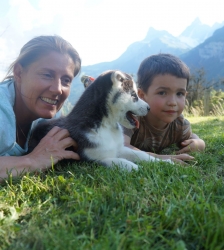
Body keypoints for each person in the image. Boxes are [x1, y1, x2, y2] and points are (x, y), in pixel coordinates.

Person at [0, 35, 81, 180]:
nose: (58, 89)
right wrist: (33, 161)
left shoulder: (51, 117)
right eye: (47, 75)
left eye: (66, 80)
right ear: (19, 73)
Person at [123, 53, 206, 164]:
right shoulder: (131, 118)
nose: (172, 102)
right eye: (162, 92)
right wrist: (158, 158)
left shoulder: (180, 124)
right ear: (142, 95)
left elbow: (190, 136)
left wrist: (198, 143)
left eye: (179, 93)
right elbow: (121, 148)